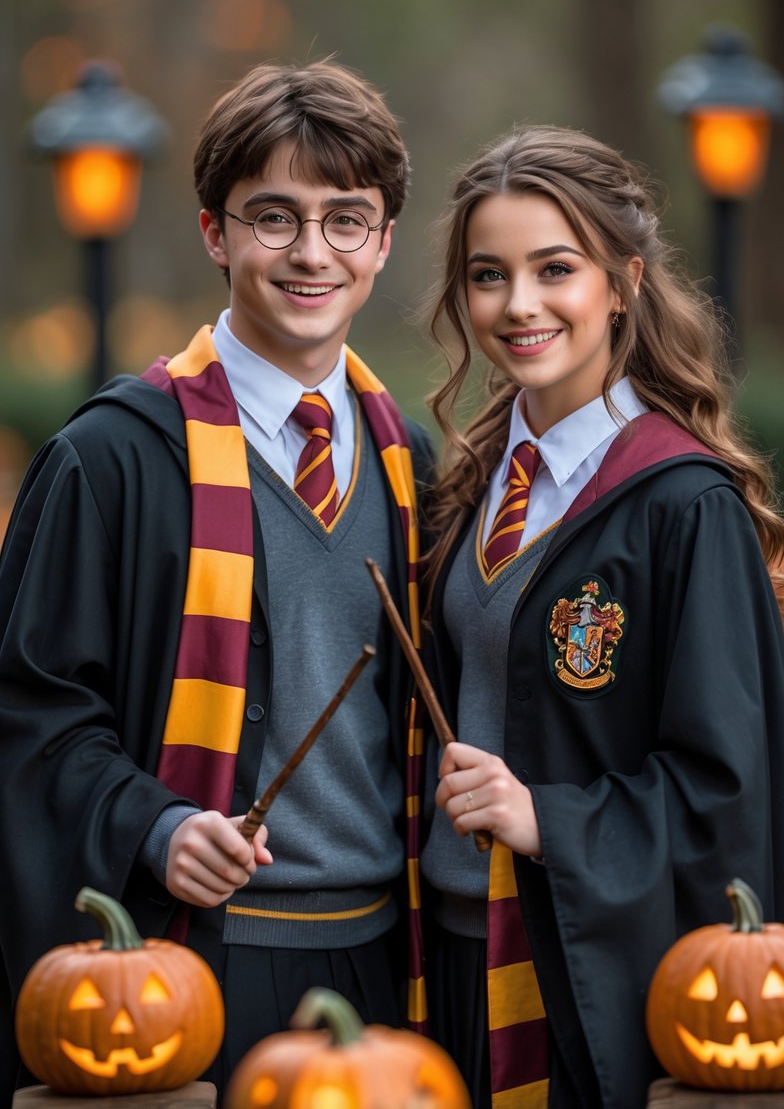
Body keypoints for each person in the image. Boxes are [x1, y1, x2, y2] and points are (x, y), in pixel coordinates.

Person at [0, 59, 433, 1100]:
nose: (311, 252)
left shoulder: (409, 462)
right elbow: (28, 713)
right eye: (273, 217)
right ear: (215, 233)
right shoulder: (112, 460)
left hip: (391, 964)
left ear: (381, 243)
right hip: (194, 972)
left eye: (345, 220)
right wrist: (151, 821)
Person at [416, 125, 784, 1109]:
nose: (519, 305)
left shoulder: (680, 503)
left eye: (556, 268)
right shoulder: (474, 482)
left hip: (576, 968)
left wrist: (545, 815)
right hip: (448, 950)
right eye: (487, 275)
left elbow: (726, 790)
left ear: (623, 281)